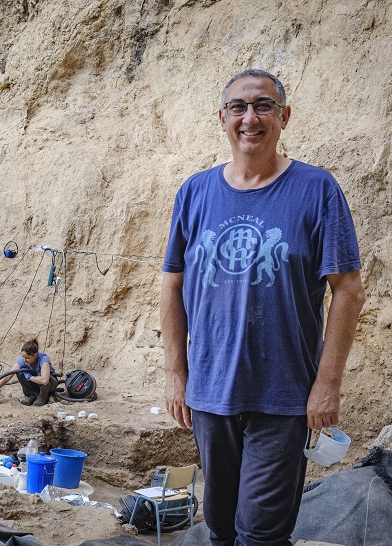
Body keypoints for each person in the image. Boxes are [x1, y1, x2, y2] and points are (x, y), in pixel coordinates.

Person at [161, 69, 365, 546]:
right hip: (211, 394)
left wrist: (326, 385)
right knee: (220, 530)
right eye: (238, 107)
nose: (250, 117)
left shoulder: (316, 190)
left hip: (283, 394)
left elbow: (349, 290)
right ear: (222, 118)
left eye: (263, 106)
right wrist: (176, 372)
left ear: (284, 116)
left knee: (261, 535)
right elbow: (171, 284)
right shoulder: (195, 192)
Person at [0, 339, 58, 406]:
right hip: (37, 384)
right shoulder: (23, 359)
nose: (24, 360)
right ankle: (30, 396)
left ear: (35, 355)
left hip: (49, 384)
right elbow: (8, 376)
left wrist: (30, 377)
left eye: (27, 358)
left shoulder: (43, 359)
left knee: (41, 376)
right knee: (20, 373)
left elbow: (45, 380)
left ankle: (43, 397)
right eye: (23, 357)